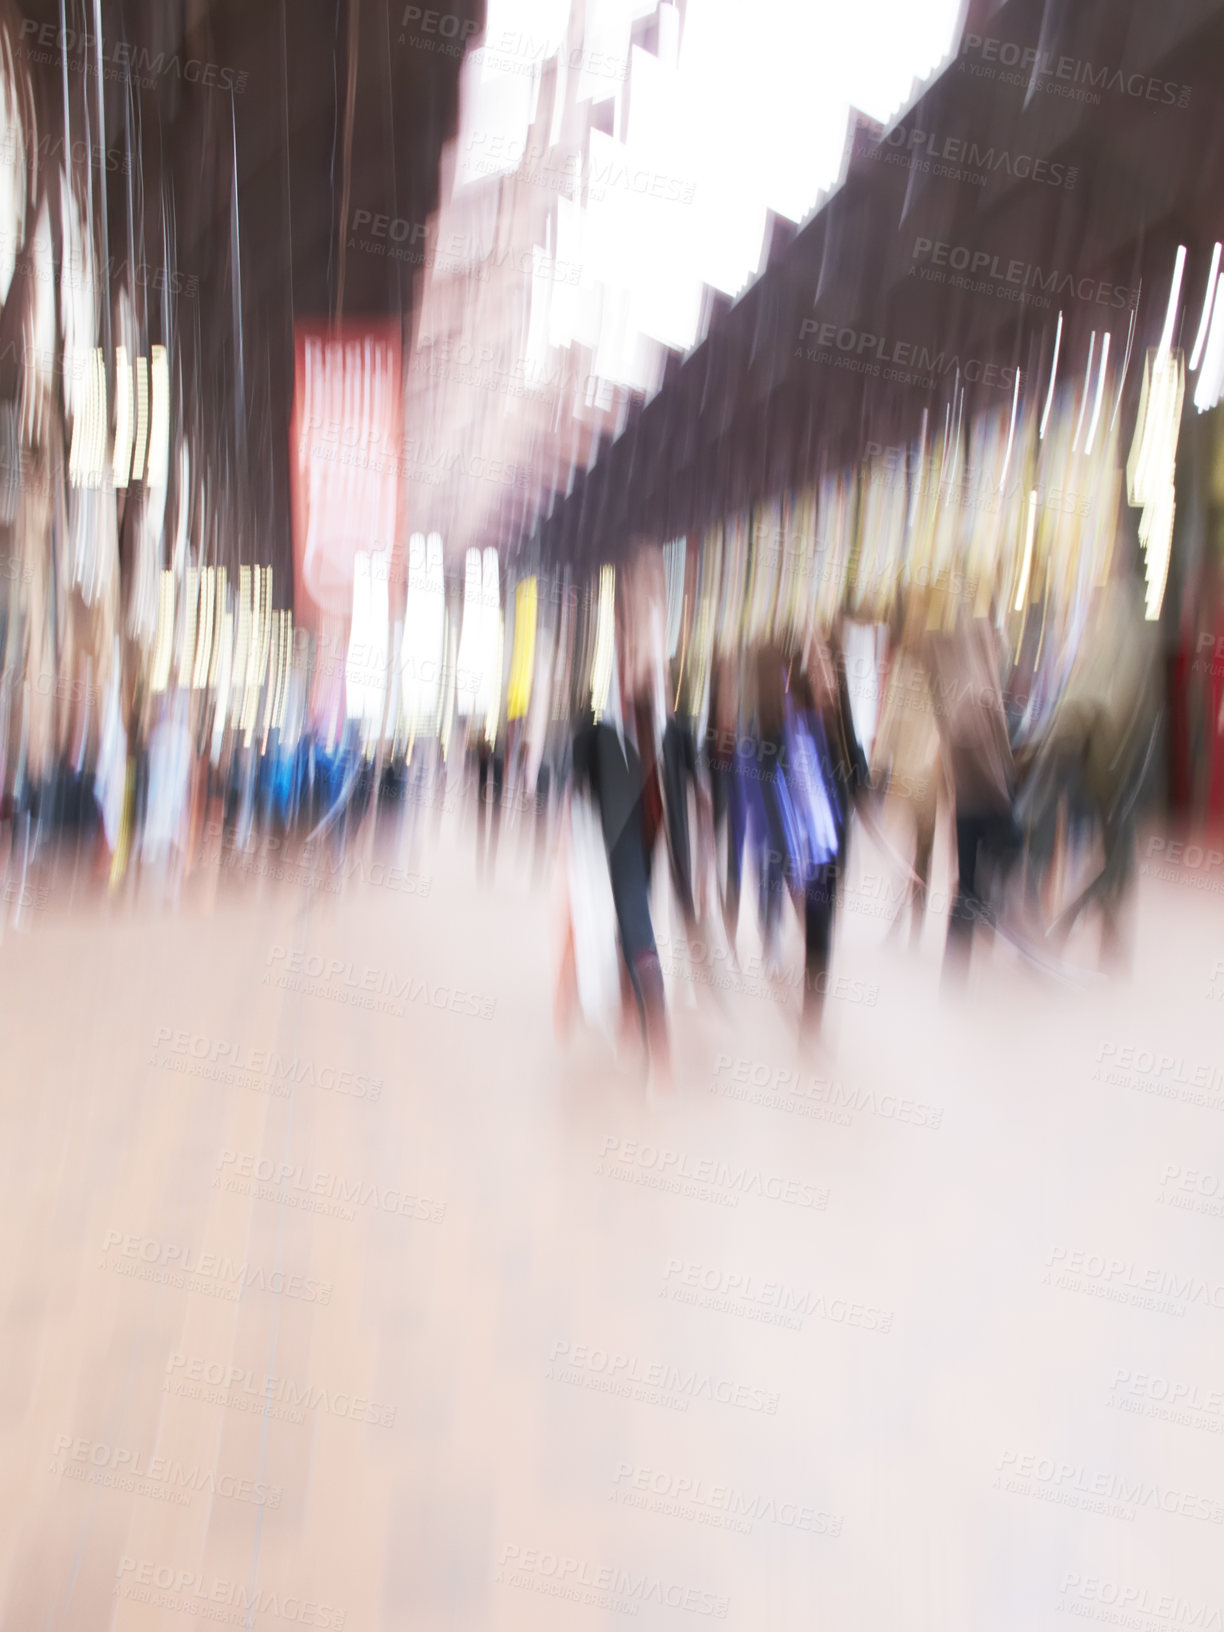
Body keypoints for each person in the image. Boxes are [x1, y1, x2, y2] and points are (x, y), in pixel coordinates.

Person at [570, 605, 671, 1087]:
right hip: (623, 823)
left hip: (641, 822)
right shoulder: (600, 710)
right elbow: (576, 771)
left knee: (635, 929)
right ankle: (644, 1033)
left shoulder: (649, 705)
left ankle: (655, 1045)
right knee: (631, 927)